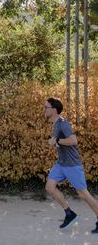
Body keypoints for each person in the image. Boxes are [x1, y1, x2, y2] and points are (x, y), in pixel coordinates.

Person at [44, 97, 98, 233]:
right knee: (50, 187)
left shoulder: (63, 123)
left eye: (46, 107)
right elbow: (61, 142)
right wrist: (55, 142)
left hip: (72, 165)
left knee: (83, 194)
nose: (44, 110)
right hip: (61, 164)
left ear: (54, 110)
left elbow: (73, 141)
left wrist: (56, 140)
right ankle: (69, 213)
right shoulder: (55, 124)